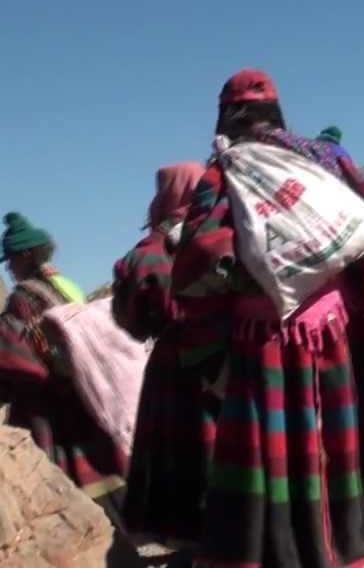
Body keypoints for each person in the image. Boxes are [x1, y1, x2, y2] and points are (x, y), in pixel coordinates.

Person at [170, 69, 364, 567]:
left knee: (269, 458)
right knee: (334, 448)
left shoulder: (225, 170)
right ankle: (345, 553)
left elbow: (196, 258)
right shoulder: (324, 158)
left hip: (264, 340)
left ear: (227, 118)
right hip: (334, 332)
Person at [113, 162, 221, 550]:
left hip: (176, 372)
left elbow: (134, 320)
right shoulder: (227, 230)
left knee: (183, 468)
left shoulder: (148, 254)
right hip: (231, 365)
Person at [0, 213, 129, 525]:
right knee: (103, 458)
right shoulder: (64, 283)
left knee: (60, 466)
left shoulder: (22, 298)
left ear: (27, 255)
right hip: (87, 387)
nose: (9, 267)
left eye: (11, 260)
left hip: (51, 399)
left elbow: (17, 354)